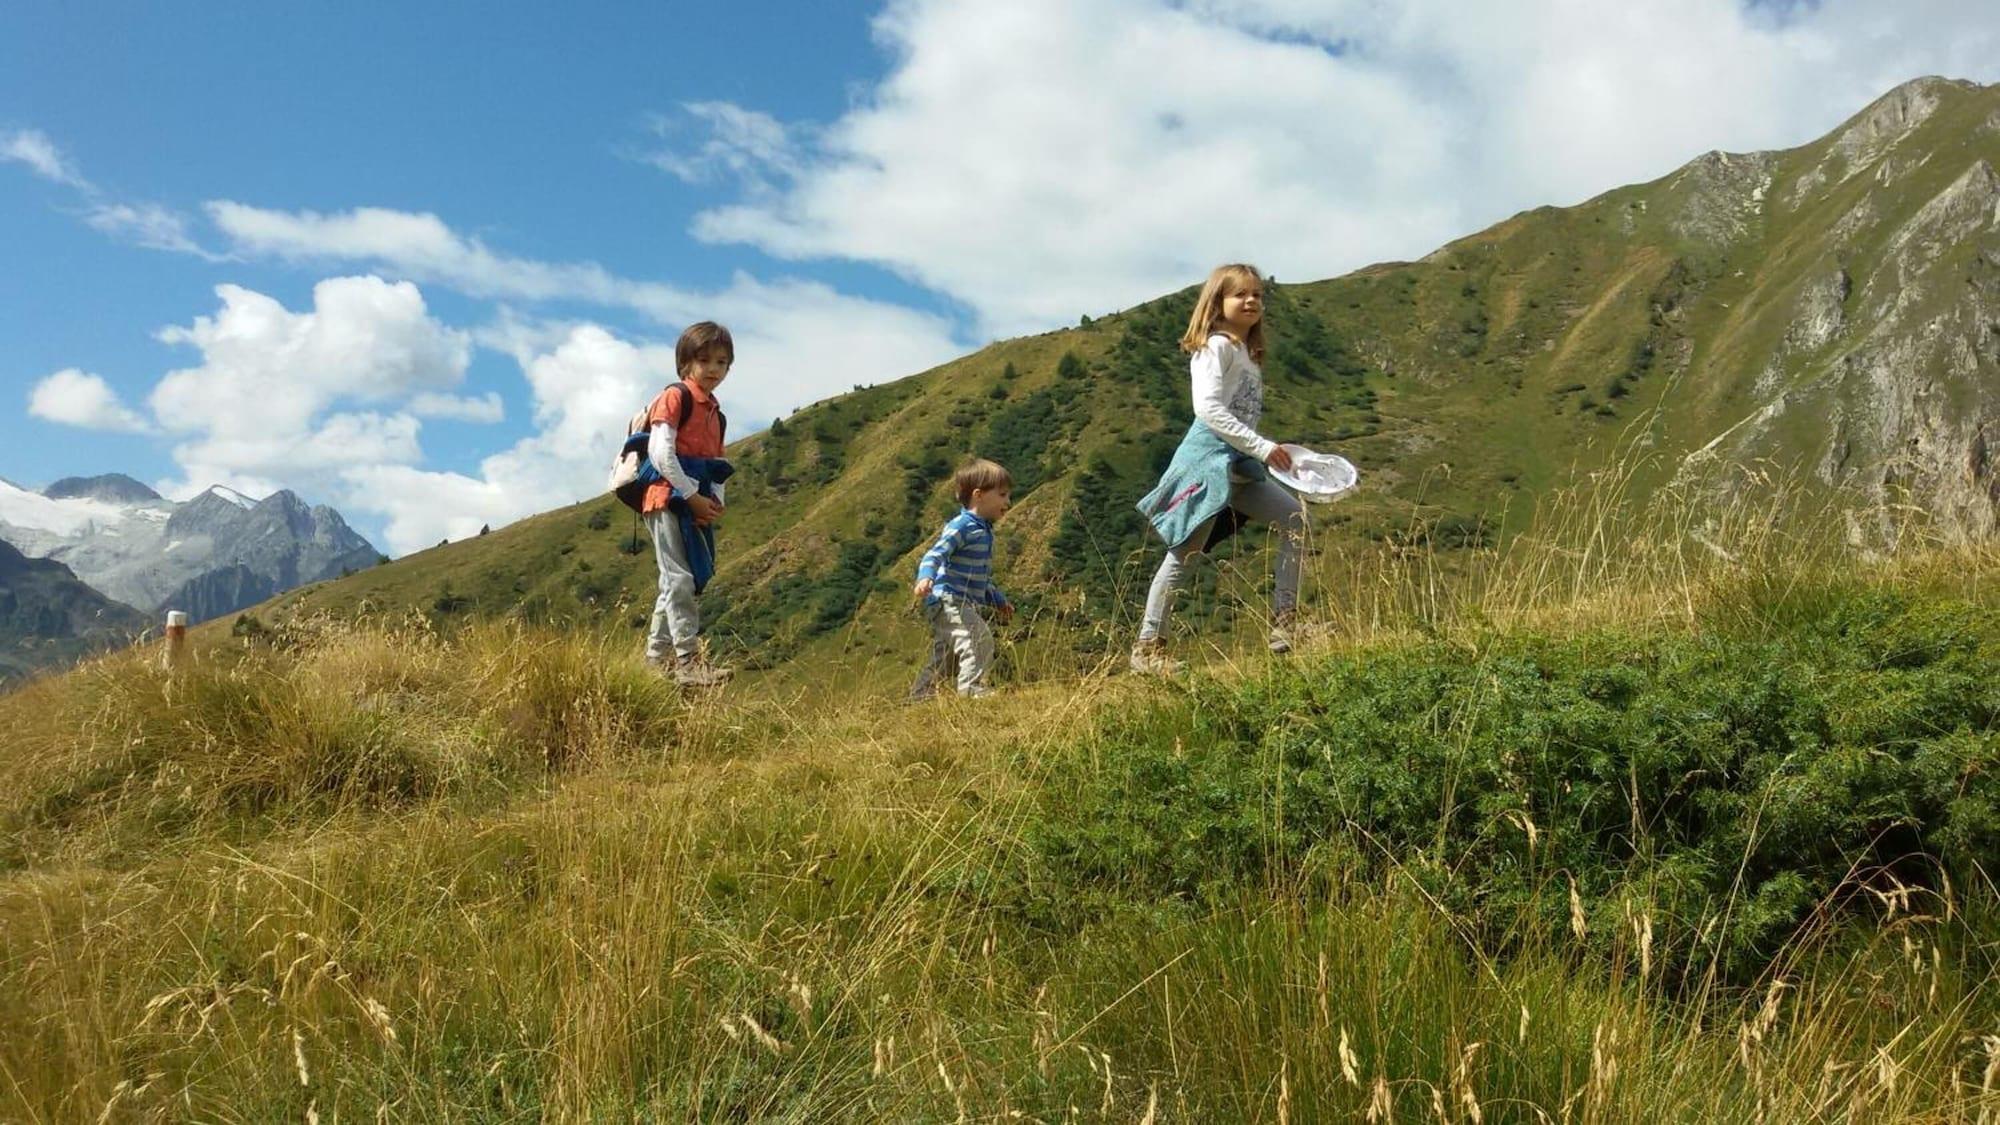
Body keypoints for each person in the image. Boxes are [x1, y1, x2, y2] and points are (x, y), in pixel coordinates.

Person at [1131, 263, 1308, 673]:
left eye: (1257, 295)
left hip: (1239, 465)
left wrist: (1265, 455)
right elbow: (1207, 408)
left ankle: (1285, 623)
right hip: (1207, 463)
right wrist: (1264, 448)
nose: (1251, 301)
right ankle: (1147, 648)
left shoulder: (1248, 355)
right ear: (1218, 302)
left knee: (1295, 518)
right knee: (1185, 554)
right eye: (1240, 294)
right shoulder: (1215, 347)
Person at [641, 321, 736, 687]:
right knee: (678, 578)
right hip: (666, 498)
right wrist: (691, 496)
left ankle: (655, 661)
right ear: (685, 363)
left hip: (692, 502)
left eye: (722, 362)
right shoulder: (676, 397)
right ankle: (687, 660)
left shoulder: (716, 413)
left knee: (681, 581)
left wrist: (713, 502)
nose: (714, 369)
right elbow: (660, 452)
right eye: (705, 360)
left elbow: (718, 464)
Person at [910, 459, 1015, 699]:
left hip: (957, 601)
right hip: (949, 600)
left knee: (947, 657)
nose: (1008, 502)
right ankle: (972, 689)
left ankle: (919, 697)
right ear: (979, 495)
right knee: (979, 640)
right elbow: (934, 554)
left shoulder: (982, 530)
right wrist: (925, 578)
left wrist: (998, 601)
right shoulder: (962, 526)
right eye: (1002, 495)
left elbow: (978, 578)